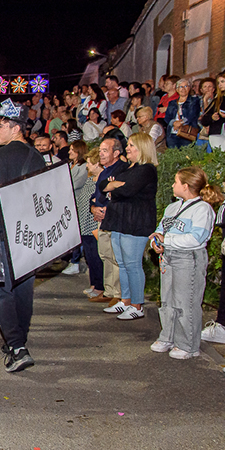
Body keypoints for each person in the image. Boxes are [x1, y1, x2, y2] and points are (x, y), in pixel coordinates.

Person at [0, 100, 46, 373]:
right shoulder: (36, 156)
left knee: (1, 291)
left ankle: (17, 346)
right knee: (24, 291)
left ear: (14, 127)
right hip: (30, 233)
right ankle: (19, 340)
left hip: (5, 231)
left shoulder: (0, 157)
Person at [150, 167, 223, 359]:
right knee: (167, 299)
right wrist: (156, 241)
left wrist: (168, 240)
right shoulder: (172, 208)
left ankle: (188, 344)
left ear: (185, 186)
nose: (173, 185)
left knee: (186, 301)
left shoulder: (202, 209)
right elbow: (160, 230)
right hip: (168, 257)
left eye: (176, 182)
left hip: (188, 258)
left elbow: (196, 239)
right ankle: (168, 336)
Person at [99, 133, 157, 320]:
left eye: (132, 145)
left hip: (136, 223)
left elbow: (127, 190)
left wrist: (115, 186)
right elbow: (102, 184)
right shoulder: (128, 168)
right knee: (122, 263)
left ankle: (137, 305)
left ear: (143, 148)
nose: (127, 148)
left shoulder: (146, 170)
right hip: (119, 221)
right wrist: (115, 185)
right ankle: (125, 300)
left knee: (132, 264)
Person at [90, 136, 129, 305]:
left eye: (105, 151)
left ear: (117, 153)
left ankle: (118, 293)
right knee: (104, 254)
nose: (101, 154)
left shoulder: (122, 170)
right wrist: (93, 208)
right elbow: (95, 195)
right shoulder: (104, 171)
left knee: (114, 256)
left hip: (113, 217)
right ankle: (109, 290)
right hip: (101, 218)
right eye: (100, 151)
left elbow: (120, 194)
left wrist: (105, 209)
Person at [78, 147, 104, 299]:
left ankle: (100, 286)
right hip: (84, 224)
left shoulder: (101, 180)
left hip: (93, 224)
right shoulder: (90, 179)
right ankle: (94, 284)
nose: (87, 166)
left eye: (89, 163)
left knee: (96, 256)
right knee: (90, 256)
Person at [62, 140, 89, 275]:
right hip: (69, 203)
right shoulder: (70, 165)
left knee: (76, 234)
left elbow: (75, 184)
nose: (69, 152)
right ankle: (72, 260)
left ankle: (75, 262)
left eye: (72, 149)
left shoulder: (83, 167)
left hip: (78, 203)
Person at [165, 78, 201, 149]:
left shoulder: (194, 101)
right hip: (173, 133)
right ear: (177, 89)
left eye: (186, 86)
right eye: (181, 87)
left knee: (186, 156)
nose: (183, 89)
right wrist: (174, 123)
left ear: (189, 88)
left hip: (187, 134)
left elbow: (193, 115)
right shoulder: (172, 103)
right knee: (173, 155)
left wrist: (181, 123)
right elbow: (167, 117)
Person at [200, 71, 225, 151]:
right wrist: (212, 117)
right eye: (218, 82)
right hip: (217, 134)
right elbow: (204, 119)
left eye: (222, 81)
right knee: (220, 157)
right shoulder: (217, 100)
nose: (220, 84)